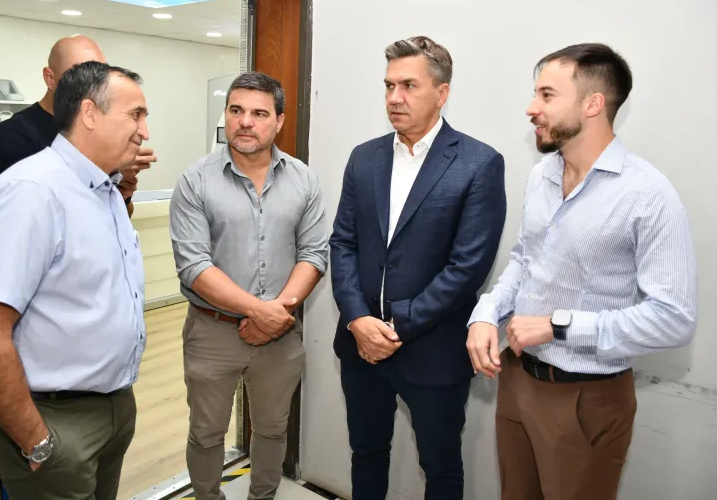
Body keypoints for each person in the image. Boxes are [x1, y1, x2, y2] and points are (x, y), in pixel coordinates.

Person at [466, 43, 698, 500]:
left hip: (586, 398)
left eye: (547, 95)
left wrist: (558, 325)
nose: (531, 108)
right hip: (516, 379)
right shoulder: (543, 175)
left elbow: (674, 319)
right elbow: (524, 260)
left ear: (593, 104)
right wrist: (486, 314)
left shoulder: (648, 195)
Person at [0, 61, 151, 500]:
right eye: (135, 115)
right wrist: (37, 441)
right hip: (56, 418)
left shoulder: (105, 191)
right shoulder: (32, 192)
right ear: (89, 113)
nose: (145, 131)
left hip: (113, 405)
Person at [329, 36, 507, 500]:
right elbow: (343, 243)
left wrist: (394, 326)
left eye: (409, 85)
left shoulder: (479, 163)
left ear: (441, 93)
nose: (395, 97)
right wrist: (357, 320)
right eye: (389, 85)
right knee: (366, 452)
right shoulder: (364, 157)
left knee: (441, 467)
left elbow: (467, 267)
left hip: (432, 350)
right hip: (361, 345)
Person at [169, 71, 328, 500]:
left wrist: (277, 313)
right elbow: (194, 265)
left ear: (279, 121)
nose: (245, 122)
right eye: (236, 110)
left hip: (281, 334)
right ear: (226, 114)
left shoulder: (303, 180)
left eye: (259, 113)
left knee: (273, 429)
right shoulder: (195, 180)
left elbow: (314, 254)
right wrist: (259, 312)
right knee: (206, 433)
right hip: (212, 331)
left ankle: (263, 497)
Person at [0, 34, 155, 216]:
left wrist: (120, 188)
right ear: (50, 78)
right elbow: (38, 213)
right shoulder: (15, 134)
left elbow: (116, 219)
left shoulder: (98, 133)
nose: (93, 85)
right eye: (79, 75)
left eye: (100, 75)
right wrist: (106, 173)